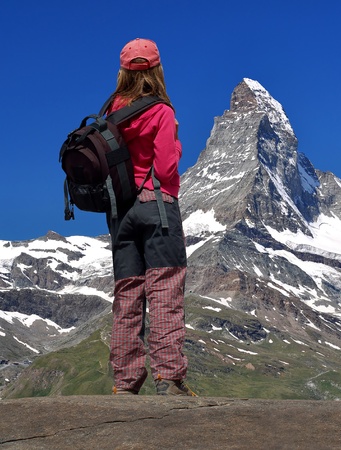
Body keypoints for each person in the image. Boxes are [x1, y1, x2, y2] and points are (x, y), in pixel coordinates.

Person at [106, 38, 195, 396]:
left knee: (127, 295)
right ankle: (169, 378)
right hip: (157, 206)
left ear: (124, 71)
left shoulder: (112, 111)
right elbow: (165, 167)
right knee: (165, 288)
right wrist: (176, 143)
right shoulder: (160, 111)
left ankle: (125, 384)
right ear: (157, 70)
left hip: (121, 215)